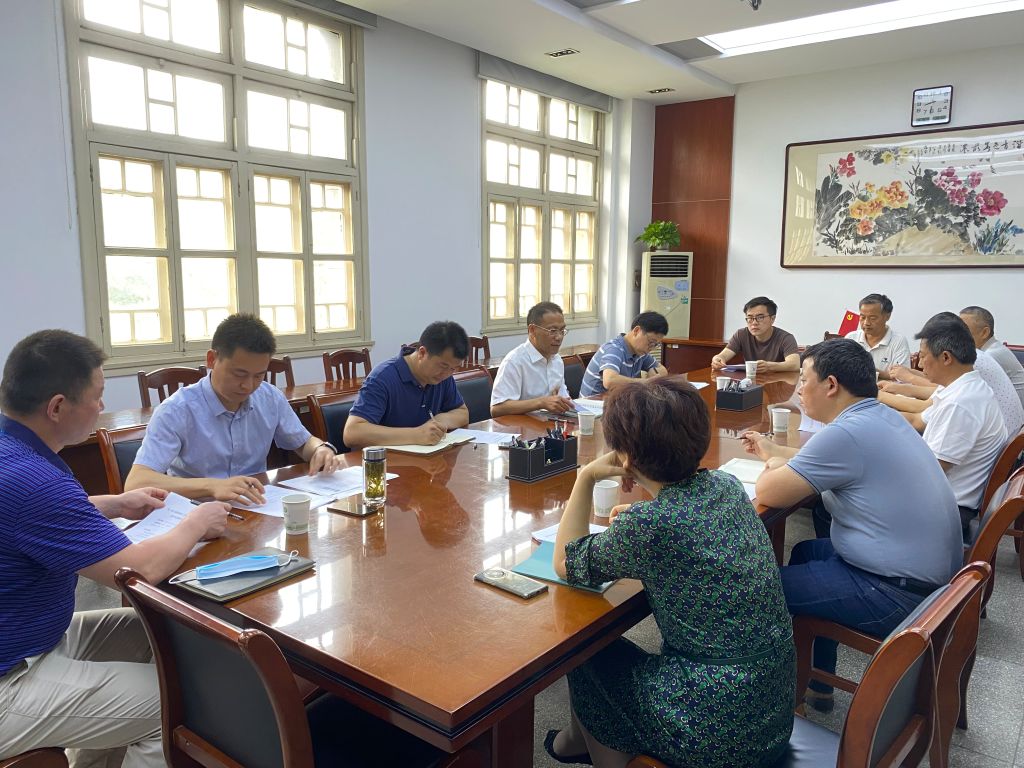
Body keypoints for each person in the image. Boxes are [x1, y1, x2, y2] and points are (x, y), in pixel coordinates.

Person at [0, 330, 229, 768]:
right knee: (180, 702)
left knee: (159, 633)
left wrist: (113, 504)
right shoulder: (35, 481)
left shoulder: (13, 452)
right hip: (11, 678)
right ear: (57, 407)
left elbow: (26, 518)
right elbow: (140, 570)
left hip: (36, 638)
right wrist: (197, 521)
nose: (102, 406)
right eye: (97, 396)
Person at [547, 378, 794, 768]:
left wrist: (586, 477)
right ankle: (578, 741)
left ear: (625, 456)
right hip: (771, 708)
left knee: (586, 655)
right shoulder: (727, 486)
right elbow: (689, 525)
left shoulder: (650, 526)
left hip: (717, 728)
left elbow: (566, 562)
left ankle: (592, 750)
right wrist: (642, 515)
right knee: (606, 662)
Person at [742, 338, 961, 713]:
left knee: (754, 589)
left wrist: (775, 465)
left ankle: (765, 694)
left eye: (804, 379)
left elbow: (768, 491)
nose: (799, 389)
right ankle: (815, 684)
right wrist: (776, 454)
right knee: (806, 551)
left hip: (896, 594)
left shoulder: (846, 433)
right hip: (928, 581)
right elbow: (827, 459)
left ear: (831, 384)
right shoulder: (879, 416)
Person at [127, 314, 342, 505]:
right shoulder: (177, 410)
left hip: (255, 507)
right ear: (212, 360)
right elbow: (137, 482)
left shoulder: (269, 397)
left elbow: (302, 442)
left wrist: (320, 449)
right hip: (195, 512)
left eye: (258, 375)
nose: (248, 386)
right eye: (239, 374)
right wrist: (213, 486)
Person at [902, 313, 1007, 535]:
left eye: (923, 356)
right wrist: (875, 416)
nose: (919, 364)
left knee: (842, 496)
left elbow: (929, 470)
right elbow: (917, 420)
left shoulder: (961, 403)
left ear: (946, 357)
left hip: (943, 510)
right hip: (939, 496)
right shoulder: (960, 387)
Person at [879, 312, 1023, 436]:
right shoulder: (969, 362)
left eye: (923, 356)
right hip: (1005, 436)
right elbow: (935, 395)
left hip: (1004, 438)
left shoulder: (971, 364)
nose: (921, 364)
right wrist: (901, 387)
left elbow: (925, 406)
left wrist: (877, 395)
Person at [344, 321, 470, 449]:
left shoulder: (441, 377)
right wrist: (416, 434)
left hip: (425, 457)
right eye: (443, 366)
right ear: (422, 353)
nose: (446, 374)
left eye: (453, 368)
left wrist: (438, 422)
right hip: (386, 459)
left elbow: (462, 413)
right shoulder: (382, 377)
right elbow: (352, 432)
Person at [490, 302, 574, 417]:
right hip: (522, 426)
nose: (559, 337)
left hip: (551, 424)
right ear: (532, 330)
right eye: (552, 331)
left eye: (562, 330)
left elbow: (562, 397)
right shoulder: (515, 361)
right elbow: (497, 409)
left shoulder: (557, 360)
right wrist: (540, 403)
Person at [579, 311, 669, 397]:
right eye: (651, 342)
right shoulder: (614, 349)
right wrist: (645, 382)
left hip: (614, 401)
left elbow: (663, 370)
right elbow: (609, 381)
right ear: (637, 331)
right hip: (592, 404)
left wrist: (653, 372)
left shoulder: (640, 353)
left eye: (656, 345)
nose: (651, 348)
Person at [711, 297, 799, 374]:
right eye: (750, 318)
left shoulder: (786, 338)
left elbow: (795, 364)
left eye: (760, 317)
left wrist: (769, 366)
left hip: (777, 383)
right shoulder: (741, 334)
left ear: (772, 319)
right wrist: (717, 359)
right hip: (750, 383)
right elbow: (723, 355)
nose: (754, 322)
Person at [960, 305, 1024, 411]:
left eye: (963, 330)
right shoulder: (993, 348)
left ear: (984, 332)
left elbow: (956, 387)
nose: (956, 336)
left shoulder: (990, 356)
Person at [844, 293, 910, 378]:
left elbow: (903, 378)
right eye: (863, 317)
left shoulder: (898, 341)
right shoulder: (851, 338)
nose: (866, 323)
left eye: (872, 318)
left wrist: (866, 370)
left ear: (887, 316)